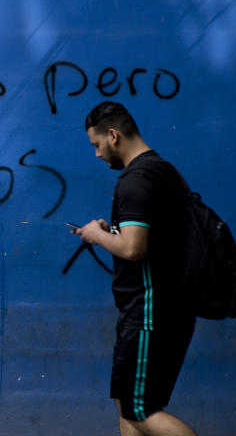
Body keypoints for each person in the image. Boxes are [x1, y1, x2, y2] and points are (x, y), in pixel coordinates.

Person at [72, 101, 198, 436]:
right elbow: (153, 242)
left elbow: (132, 248)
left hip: (150, 311)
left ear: (112, 135)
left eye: (96, 145)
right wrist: (109, 231)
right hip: (159, 308)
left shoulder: (135, 181)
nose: (97, 155)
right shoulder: (162, 170)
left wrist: (97, 236)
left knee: (140, 410)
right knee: (126, 404)